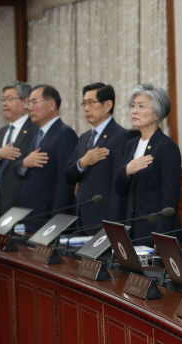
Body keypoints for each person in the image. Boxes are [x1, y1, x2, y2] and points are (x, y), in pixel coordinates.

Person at [115, 84, 182, 247]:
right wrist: (127, 171)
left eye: (141, 106)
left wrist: (161, 236)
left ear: (157, 113)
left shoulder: (167, 147)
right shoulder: (130, 144)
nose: (134, 111)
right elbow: (119, 187)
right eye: (133, 106)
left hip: (154, 230)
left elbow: (170, 199)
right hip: (130, 228)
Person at [65, 83, 131, 235]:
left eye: (91, 103)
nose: (86, 108)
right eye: (84, 103)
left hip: (105, 220)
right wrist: (82, 162)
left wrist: (114, 225)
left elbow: (120, 186)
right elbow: (68, 175)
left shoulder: (120, 137)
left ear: (108, 105)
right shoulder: (84, 138)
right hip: (82, 217)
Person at [15, 85, 78, 232]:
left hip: (48, 217)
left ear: (51, 104)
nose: (29, 108)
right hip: (30, 214)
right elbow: (16, 167)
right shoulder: (34, 134)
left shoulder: (65, 134)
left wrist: (56, 220)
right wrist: (24, 163)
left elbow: (65, 181)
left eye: (34, 102)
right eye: (28, 104)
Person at [0, 81, 37, 217]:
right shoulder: (1, 132)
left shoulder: (35, 130)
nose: (4, 103)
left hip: (21, 202)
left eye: (9, 99)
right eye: (3, 99)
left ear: (25, 102)